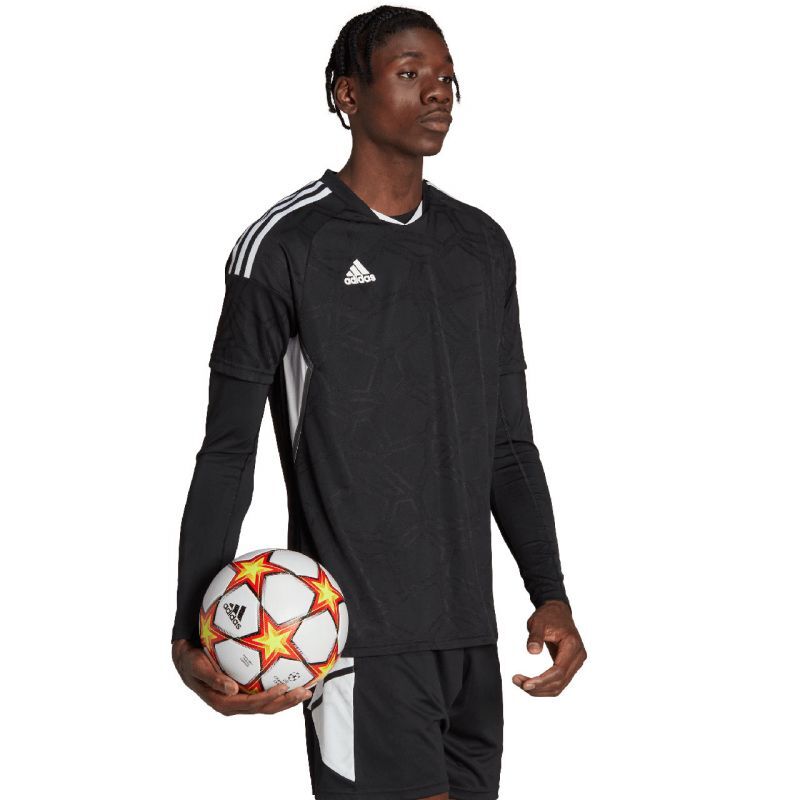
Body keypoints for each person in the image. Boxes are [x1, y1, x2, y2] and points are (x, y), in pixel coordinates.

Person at [171, 6, 587, 799]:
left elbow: (508, 445)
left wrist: (550, 592)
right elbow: (227, 454)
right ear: (348, 94)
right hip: (356, 637)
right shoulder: (286, 246)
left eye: (446, 76)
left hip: (470, 639)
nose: (438, 91)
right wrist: (189, 628)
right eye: (409, 72)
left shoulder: (481, 246)